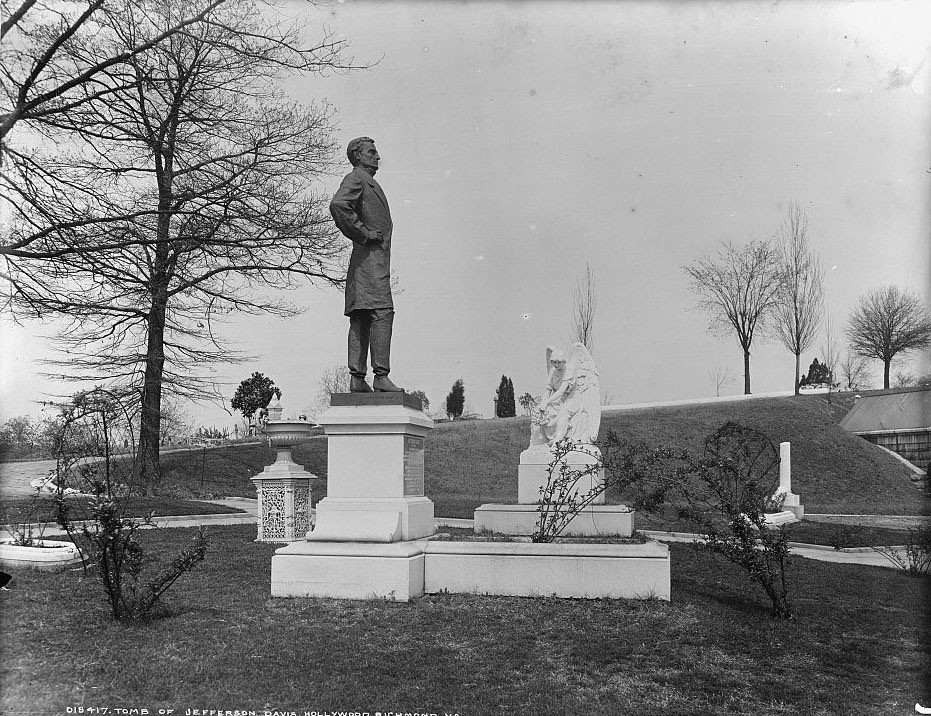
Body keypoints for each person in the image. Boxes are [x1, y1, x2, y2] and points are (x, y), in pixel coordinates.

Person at [329, 137, 403, 393]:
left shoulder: (367, 182)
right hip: (369, 265)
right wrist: (363, 233)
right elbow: (339, 205)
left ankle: (357, 378)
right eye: (372, 152)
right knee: (382, 313)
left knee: (361, 318)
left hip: (364, 266)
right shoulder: (357, 178)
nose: (377, 156)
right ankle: (380, 376)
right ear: (358, 156)